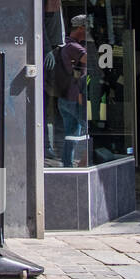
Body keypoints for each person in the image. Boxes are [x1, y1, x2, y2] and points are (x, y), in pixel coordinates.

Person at [58, 14, 89, 167]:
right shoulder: (73, 47)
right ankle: (85, 163)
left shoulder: (67, 45)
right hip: (73, 98)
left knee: (71, 134)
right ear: (80, 28)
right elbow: (91, 59)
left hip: (65, 97)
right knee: (85, 129)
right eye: (86, 28)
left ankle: (67, 164)